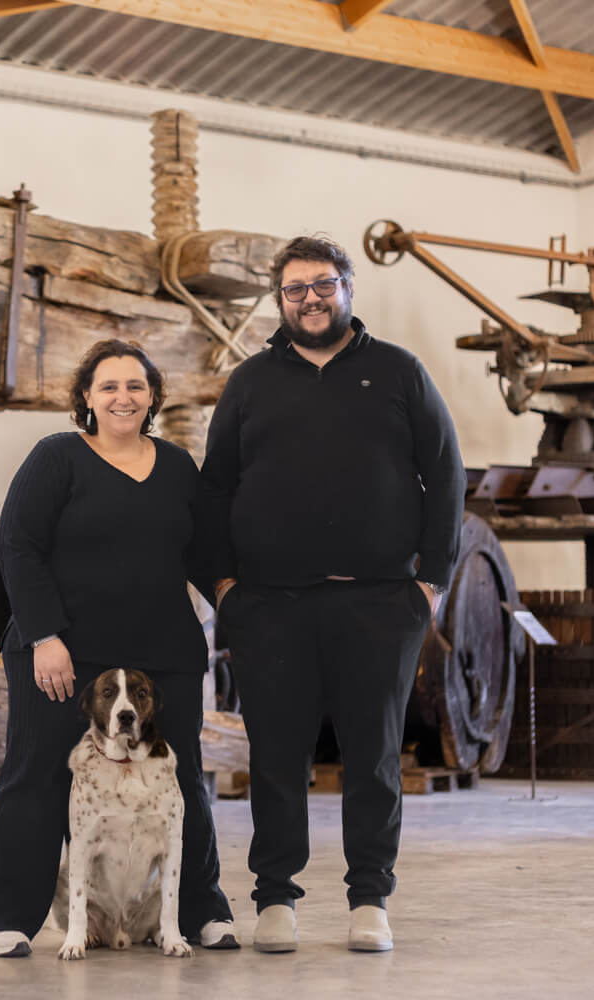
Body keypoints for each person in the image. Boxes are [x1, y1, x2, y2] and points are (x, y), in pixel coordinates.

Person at [202, 234, 465, 954]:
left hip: (380, 603)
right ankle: (275, 899)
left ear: (348, 288)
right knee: (276, 758)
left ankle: (369, 899)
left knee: (374, 757)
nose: (310, 299)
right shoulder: (250, 381)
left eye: (323, 284)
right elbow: (214, 486)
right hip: (269, 606)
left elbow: (446, 474)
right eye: (295, 289)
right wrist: (224, 587)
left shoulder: (399, 372)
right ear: (280, 300)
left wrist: (431, 583)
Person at [0, 339, 237, 958]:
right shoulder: (56, 457)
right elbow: (17, 546)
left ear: (153, 397)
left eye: (136, 386)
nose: (123, 397)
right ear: (87, 397)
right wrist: (44, 636)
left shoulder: (178, 467)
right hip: (64, 653)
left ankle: (201, 910)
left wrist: (239, 605)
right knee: (37, 776)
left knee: (182, 781)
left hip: (162, 656)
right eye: (109, 386)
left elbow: (203, 555)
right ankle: (3, 918)